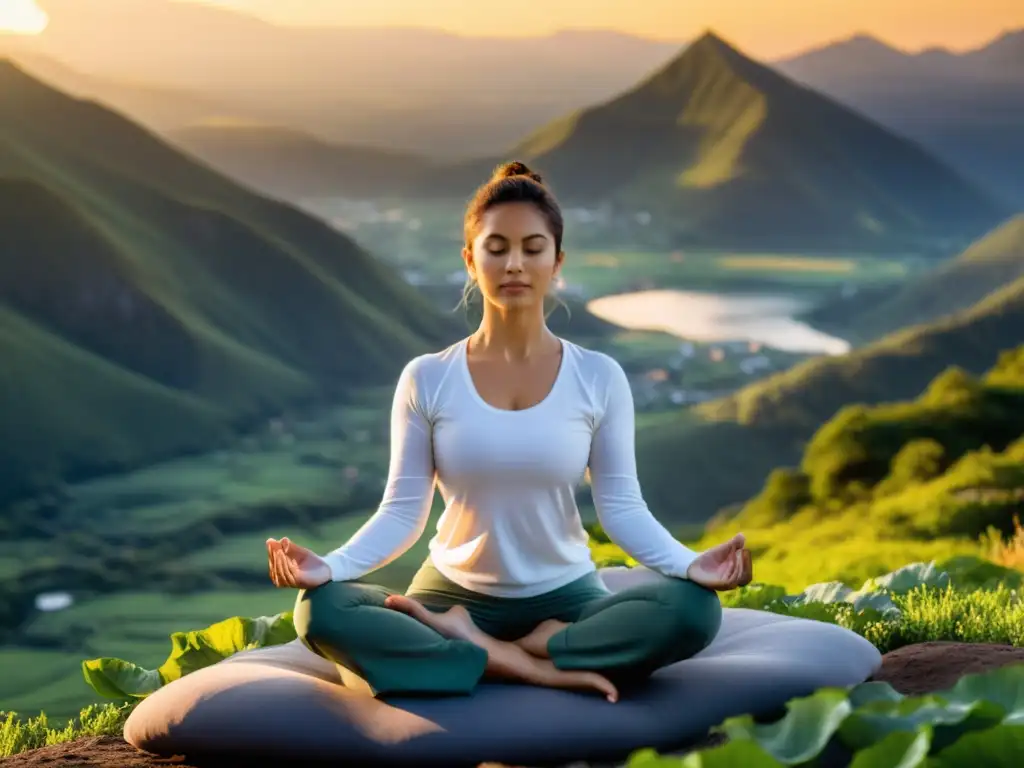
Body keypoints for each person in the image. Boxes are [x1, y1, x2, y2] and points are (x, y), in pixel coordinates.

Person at [266, 161, 753, 704]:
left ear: (557, 261)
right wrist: (329, 566)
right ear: (471, 260)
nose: (514, 264)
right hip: (452, 596)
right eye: (496, 248)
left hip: (566, 600)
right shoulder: (427, 377)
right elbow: (403, 512)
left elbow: (622, 508)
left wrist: (690, 564)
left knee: (692, 610)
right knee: (320, 611)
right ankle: (530, 663)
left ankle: (484, 655)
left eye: (532, 247)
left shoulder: (598, 376)